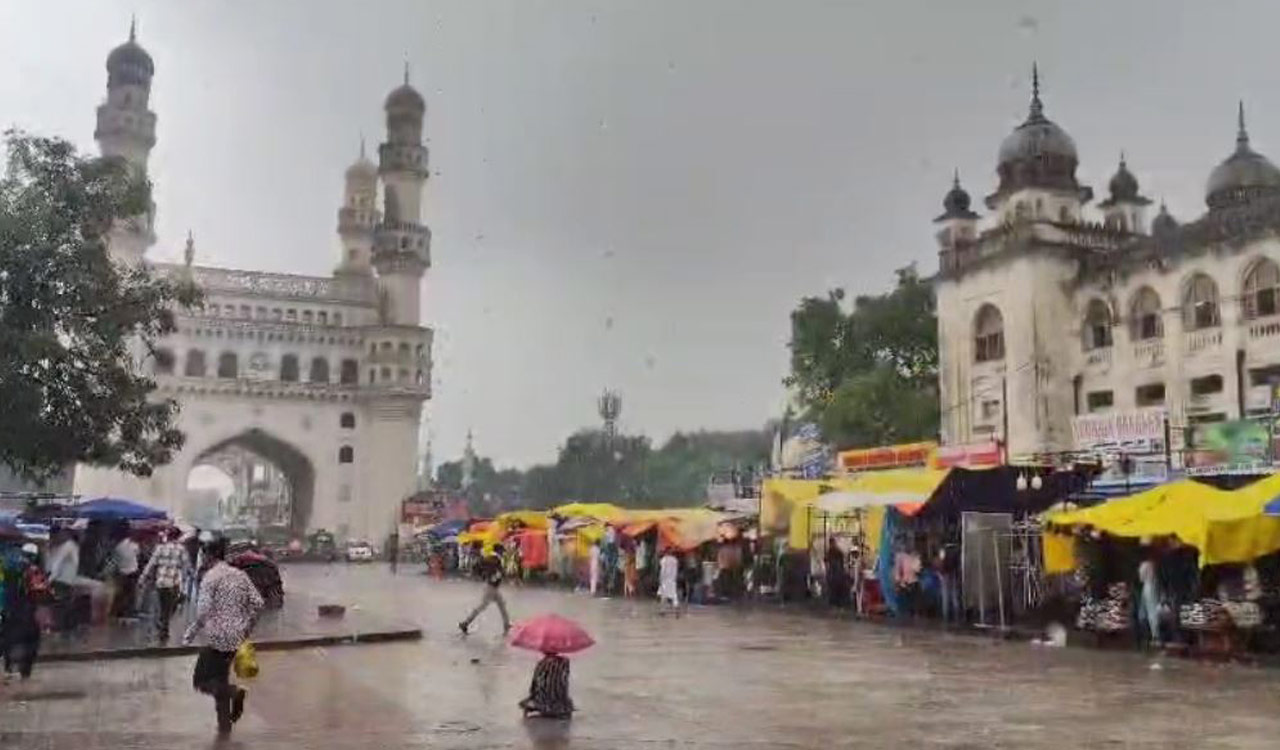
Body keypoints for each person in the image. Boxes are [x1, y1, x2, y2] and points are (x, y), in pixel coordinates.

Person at [183, 536, 264, 735]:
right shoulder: (239, 575)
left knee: (201, 682)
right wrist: (247, 628)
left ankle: (235, 693)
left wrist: (190, 633)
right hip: (236, 637)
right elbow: (258, 604)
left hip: (217, 638)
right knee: (220, 680)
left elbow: (203, 612)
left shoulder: (210, 577)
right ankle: (224, 728)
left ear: (209, 555)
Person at [1, 544, 51, 680]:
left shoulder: (8, 568)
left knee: (9, 639)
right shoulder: (33, 571)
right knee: (31, 641)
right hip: (27, 611)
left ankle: (9, 668)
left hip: (10, 609)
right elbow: (42, 593)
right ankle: (24, 672)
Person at [140, 528, 193, 644]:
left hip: (161, 582)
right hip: (173, 584)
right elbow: (187, 568)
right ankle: (164, 626)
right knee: (169, 608)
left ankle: (162, 626)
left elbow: (151, 564)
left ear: (168, 536)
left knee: (162, 606)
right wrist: (186, 578)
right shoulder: (181, 550)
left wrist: (142, 578)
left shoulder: (160, 548)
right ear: (178, 537)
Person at [459, 544, 511, 634]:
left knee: (502, 605)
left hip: (494, 587)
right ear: (499, 551)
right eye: (502, 551)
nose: (503, 553)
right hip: (491, 588)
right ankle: (465, 623)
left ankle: (506, 624)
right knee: (482, 606)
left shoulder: (491, 558)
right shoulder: (494, 559)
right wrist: (492, 576)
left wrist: (486, 576)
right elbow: (494, 570)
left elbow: (478, 567)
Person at [519, 652, 574, 719]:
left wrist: (532, 693)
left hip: (543, 696)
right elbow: (565, 679)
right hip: (559, 696)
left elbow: (535, 680)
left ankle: (542, 707)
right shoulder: (565, 663)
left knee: (532, 698)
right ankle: (558, 709)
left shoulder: (542, 663)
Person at [111, 530, 141, 618]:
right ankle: (130, 612)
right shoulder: (135, 546)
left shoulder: (119, 546)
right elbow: (138, 555)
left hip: (122, 572)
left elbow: (116, 558)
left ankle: (119, 612)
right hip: (133, 571)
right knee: (132, 593)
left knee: (122, 593)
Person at [825, 538, 849, 607]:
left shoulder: (836, 551)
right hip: (835, 571)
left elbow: (827, 560)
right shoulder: (833, 551)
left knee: (835, 587)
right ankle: (835, 601)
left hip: (836, 571)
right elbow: (826, 560)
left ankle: (836, 602)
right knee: (834, 587)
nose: (832, 545)